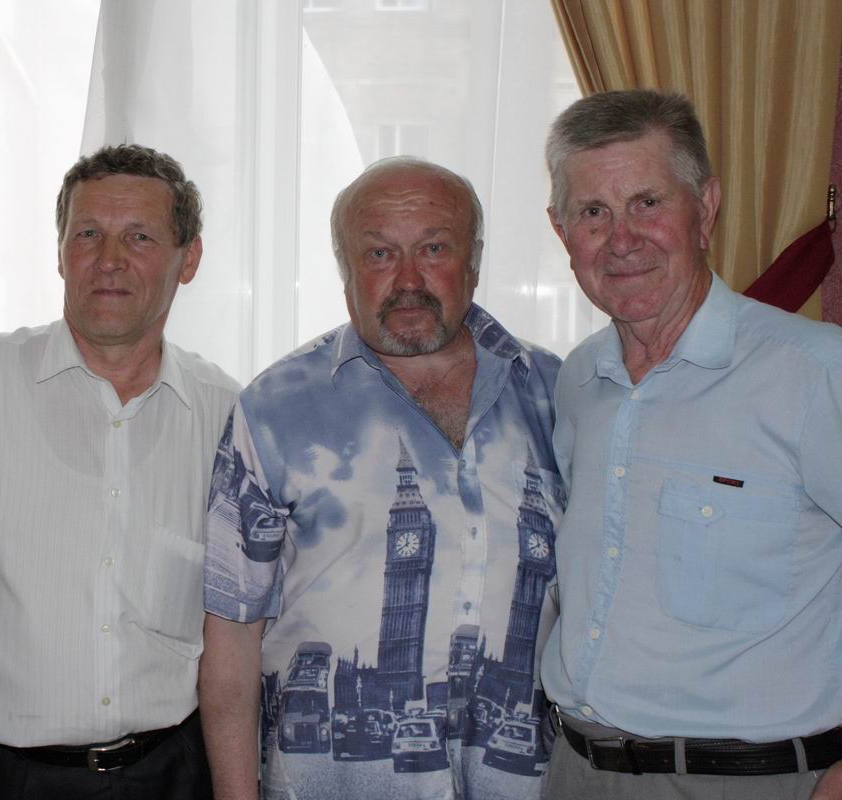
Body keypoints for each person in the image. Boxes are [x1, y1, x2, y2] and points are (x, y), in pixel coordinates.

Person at [199, 157, 565, 800]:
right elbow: (231, 635)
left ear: (475, 261)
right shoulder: (275, 408)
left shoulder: (559, 396)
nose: (408, 280)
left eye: (434, 248)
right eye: (379, 254)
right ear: (346, 269)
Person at [540, 89, 842, 800]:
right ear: (561, 231)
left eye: (647, 203)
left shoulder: (813, 371)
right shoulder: (578, 380)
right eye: (593, 212)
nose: (622, 239)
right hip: (575, 772)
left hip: (754, 782)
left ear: (705, 209)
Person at [0, 143, 238, 799]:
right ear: (61, 251)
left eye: (140, 237)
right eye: (88, 234)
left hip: (169, 774)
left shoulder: (229, 418)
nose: (110, 259)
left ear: (189, 259)